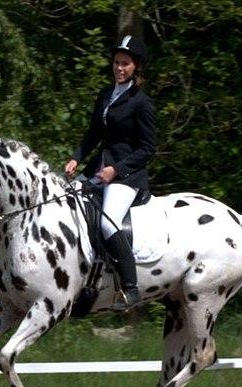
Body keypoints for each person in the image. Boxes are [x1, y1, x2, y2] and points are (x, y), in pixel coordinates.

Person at [64, 35, 157, 310]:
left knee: (107, 223)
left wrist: (116, 169)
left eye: (125, 64)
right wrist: (76, 158)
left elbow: (148, 148)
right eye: (116, 62)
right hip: (99, 168)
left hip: (127, 175)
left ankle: (130, 286)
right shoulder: (106, 94)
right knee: (67, 203)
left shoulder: (141, 103)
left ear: (136, 67)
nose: (119, 68)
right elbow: (94, 133)